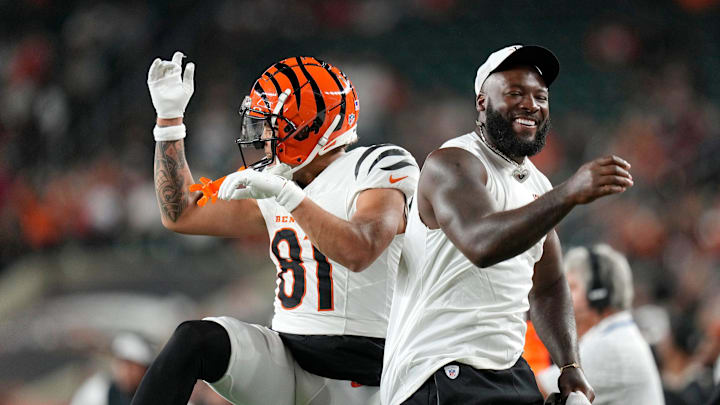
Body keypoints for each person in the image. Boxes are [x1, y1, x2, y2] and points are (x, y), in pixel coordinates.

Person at [133, 52, 418, 405]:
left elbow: (359, 251)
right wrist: (169, 122)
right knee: (195, 340)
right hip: (287, 358)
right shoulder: (276, 180)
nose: (262, 135)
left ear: (311, 125)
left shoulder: (377, 165)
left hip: (366, 374)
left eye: (273, 124)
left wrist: (288, 197)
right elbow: (180, 214)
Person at [381, 44, 634, 405]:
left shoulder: (536, 184)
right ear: (482, 103)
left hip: (505, 367)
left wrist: (569, 363)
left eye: (540, 96)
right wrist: (568, 193)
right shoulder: (451, 163)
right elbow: (482, 244)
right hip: (439, 366)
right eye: (515, 93)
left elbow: (549, 284)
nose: (531, 104)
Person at [536, 244, 665, 404]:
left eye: (572, 287)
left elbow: (534, 390)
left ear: (598, 295)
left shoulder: (612, 345)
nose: (562, 297)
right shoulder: (618, 333)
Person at [71, 333, 154, 405]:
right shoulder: (97, 391)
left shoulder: (154, 394)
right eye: (122, 364)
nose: (126, 372)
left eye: (133, 367)